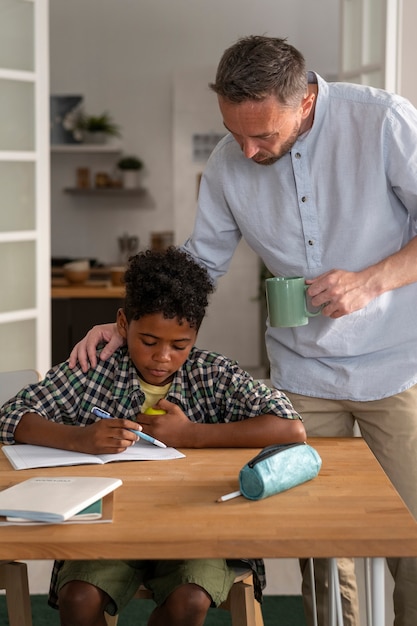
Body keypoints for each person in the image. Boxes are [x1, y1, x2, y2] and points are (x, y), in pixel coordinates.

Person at [68, 35, 417, 626]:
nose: (247, 150)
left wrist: (373, 280)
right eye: (235, 132)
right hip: (304, 376)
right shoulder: (230, 164)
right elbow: (200, 263)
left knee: (411, 537)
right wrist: (129, 318)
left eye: (264, 136)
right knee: (318, 546)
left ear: (305, 101)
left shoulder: (383, 122)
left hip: (400, 366)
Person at [0, 247, 305, 626]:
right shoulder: (95, 369)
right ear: (123, 324)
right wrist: (80, 438)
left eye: (180, 345)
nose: (163, 357)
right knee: (78, 597)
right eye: (148, 341)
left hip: (195, 529)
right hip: (110, 529)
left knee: (190, 600)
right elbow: (12, 416)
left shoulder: (212, 373)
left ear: (195, 336)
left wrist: (191, 434)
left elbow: (291, 427)